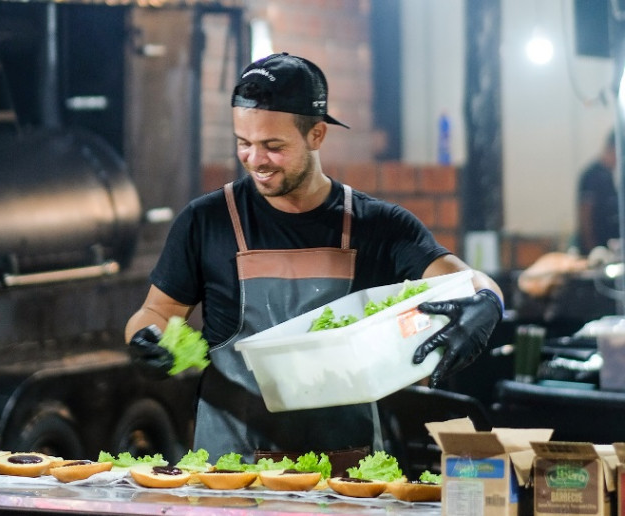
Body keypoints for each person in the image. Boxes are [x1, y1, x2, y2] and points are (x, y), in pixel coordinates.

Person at [125, 52, 504, 464]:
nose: (255, 160)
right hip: (232, 473)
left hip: (345, 473)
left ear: (317, 135)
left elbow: (469, 281)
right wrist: (146, 339)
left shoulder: (378, 225)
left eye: (273, 146)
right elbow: (155, 312)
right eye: (243, 144)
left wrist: (489, 302)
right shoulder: (206, 221)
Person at [576, 129, 619, 255]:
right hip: (595, 250)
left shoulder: (609, 175)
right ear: (612, 149)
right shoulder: (592, 175)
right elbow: (585, 215)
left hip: (607, 248)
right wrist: (592, 249)